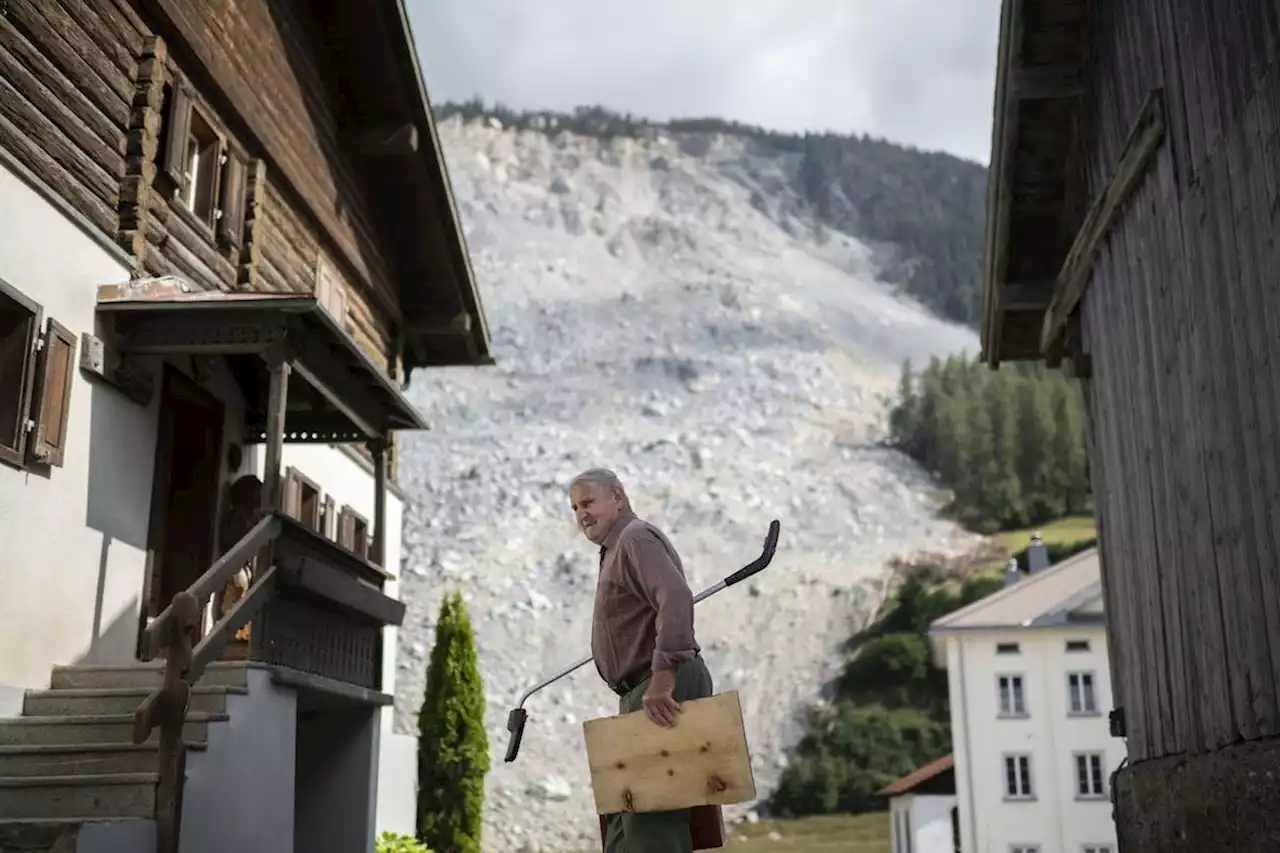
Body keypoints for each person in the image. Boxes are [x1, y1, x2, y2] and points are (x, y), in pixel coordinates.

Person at [569, 467, 713, 853]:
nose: (581, 513)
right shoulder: (617, 547)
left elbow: (676, 597)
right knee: (624, 817)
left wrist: (663, 679)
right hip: (639, 690)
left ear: (618, 497)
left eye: (588, 502)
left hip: (658, 685)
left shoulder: (634, 539)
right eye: (574, 507)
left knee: (652, 816)